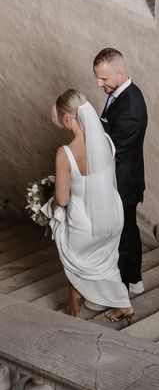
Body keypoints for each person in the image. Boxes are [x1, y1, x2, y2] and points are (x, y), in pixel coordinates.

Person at [42, 89, 135, 323]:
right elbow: (106, 181)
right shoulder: (106, 142)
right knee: (106, 259)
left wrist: (47, 205)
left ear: (66, 118)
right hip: (112, 217)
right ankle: (124, 305)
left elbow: (62, 200)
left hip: (85, 225)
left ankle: (74, 316)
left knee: (73, 262)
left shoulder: (65, 154)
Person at [93, 48, 148, 295]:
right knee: (128, 232)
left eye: (104, 78)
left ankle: (122, 292)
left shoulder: (132, 109)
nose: (98, 83)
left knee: (123, 237)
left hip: (123, 182)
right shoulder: (119, 94)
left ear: (120, 72)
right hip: (120, 178)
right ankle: (135, 279)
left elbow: (109, 150)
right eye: (97, 77)